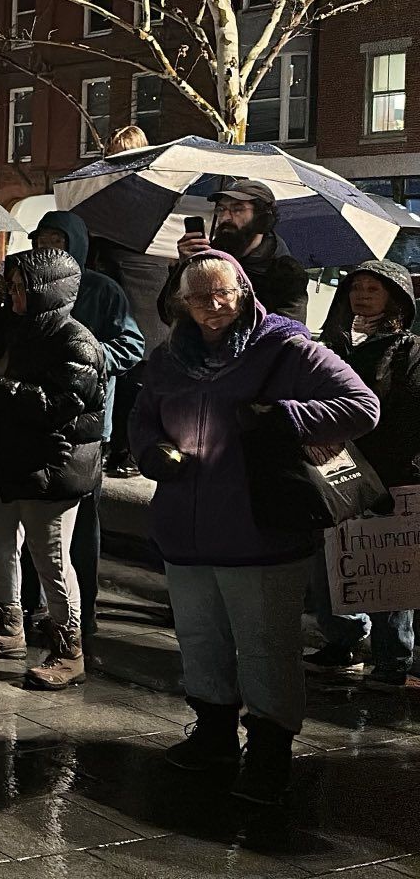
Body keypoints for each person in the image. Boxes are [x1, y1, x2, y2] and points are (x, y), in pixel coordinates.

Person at [135, 250, 378, 805]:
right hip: (185, 531)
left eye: (223, 292)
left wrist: (283, 416)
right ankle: (214, 735)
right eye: (199, 297)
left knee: (266, 647)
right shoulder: (169, 357)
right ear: (181, 304)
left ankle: (269, 751)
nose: (213, 305)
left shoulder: (285, 347)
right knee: (200, 640)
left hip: (260, 530)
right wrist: (152, 452)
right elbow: (142, 418)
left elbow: (362, 406)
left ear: (243, 292)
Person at [0, 249, 105, 690]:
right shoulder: (16, 331)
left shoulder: (75, 342)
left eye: (21, 287)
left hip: (50, 467)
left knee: (51, 559)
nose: (13, 294)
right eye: (12, 285)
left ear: (46, 291)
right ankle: (6, 628)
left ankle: (69, 651)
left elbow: (57, 405)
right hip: (6, 459)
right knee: (0, 546)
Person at [21, 212, 146, 638]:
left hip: (86, 428)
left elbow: (131, 346)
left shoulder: (102, 290)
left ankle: (81, 613)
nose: (47, 247)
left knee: (80, 529)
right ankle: (29, 603)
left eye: (57, 240)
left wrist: (87, 356)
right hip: (36, 419)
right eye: (41, 239)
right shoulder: (28, 286)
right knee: (30, 521)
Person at [310, 260, 420, 688]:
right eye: (356, 287)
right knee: (332, 558)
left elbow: (409, 415)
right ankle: (343, 640)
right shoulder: (329, 344)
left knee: (388, 567)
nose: (361, 296)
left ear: (395, 298)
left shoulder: (409, 351)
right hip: (333, 467)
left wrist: (388, 468)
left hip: (389, 472)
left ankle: (393, 657)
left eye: (373, 289)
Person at [163, 179, 309, 326]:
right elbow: (170, 316)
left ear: (262, 219)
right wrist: (184, 268)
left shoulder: (285, 272)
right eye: (221, 209)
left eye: (237, 209)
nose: (225, 217)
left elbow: (289, 330)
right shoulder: (210, 257)